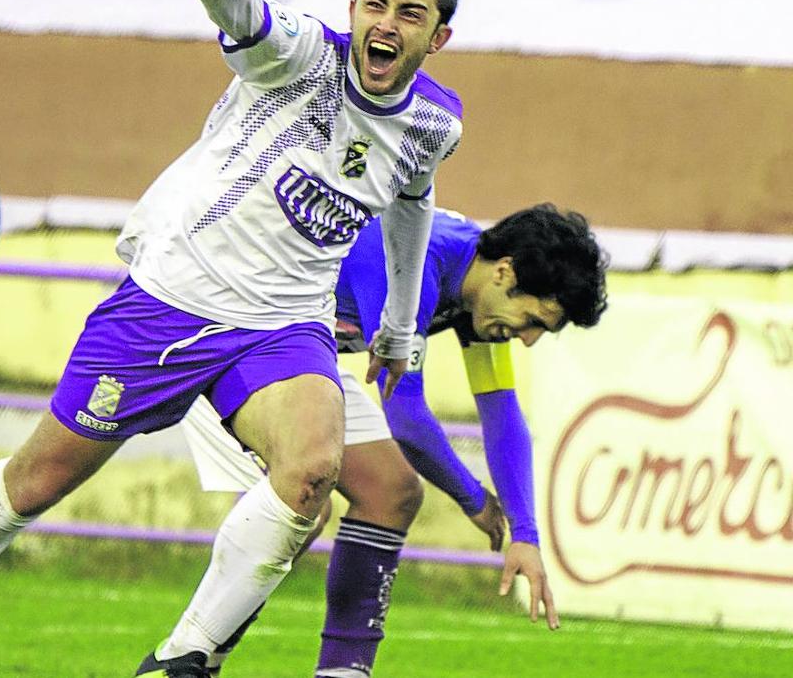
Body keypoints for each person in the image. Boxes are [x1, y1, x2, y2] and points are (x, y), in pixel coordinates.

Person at [0, 0, 463, 676]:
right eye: (374, 4)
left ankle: (181, 660)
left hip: (282, 326)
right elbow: (250, 16)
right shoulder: (304, 59)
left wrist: (402, 331)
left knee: (311, 470)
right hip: (170, 303)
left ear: (437, 37)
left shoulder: (433, 124)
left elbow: (414, 203)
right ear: (352, 10)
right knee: (33, 483)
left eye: (411, 14)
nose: (386, 24)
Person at [180, 204, 609, 676]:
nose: (527, 340)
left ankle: (341, 673)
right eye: (533, 320)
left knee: (392, 491)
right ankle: (188, 657)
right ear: (506, 273)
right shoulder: (414, 260)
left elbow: (502, 412)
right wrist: (473, 499)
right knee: (305, 496)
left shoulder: (480, 290)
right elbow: (405, 416)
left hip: (294, 352)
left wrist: (525, 535)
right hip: (222, 332)